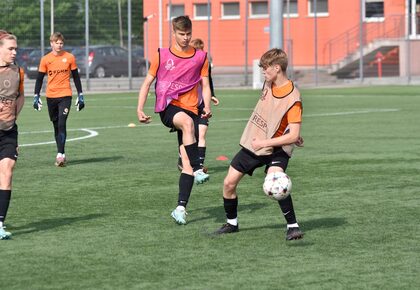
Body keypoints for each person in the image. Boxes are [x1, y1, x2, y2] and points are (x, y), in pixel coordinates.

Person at [214, 48, 304, 241]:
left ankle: (293, 226)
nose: (263, 71)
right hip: (255, 142)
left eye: (266, 68)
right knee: (229, 183)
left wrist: (269, 141)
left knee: (277, 182)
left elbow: (293, 134)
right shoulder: (268, 82)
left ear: (277, 68)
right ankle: (232, 224)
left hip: (276, 148)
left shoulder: (294, 99)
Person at [137, 16, 212, 225]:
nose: (186, 38)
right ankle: (199, 168)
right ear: (174, 33)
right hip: (169, 107)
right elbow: (146, 83)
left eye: (188, 34)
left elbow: (205, 85)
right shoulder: (161, 55)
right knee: (187, 124)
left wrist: (206, 105)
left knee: (185, 162)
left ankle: (180, 208)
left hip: (193, 109)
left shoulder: (201, 57)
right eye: (181, 34)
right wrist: (139, 108)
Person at [33, 32, 85, 167]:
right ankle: (61, 152)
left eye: (61, 43)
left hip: (65, 95)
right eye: (57, 43)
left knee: (62, 123)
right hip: (50, 97)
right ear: (51, 43)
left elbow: (76, 77)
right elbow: (39, 79)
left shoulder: (69, 57)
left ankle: (60, 155)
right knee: (56, 125)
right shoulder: (45, 59)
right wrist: (36, 96)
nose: (59, 45)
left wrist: (80, 94)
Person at [177, 38, 219, 172]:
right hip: (187, 105)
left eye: (202, 51)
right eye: (197, 51)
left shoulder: (204, 63)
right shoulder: (186, 65)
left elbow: (208, 82)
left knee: (201, 134)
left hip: (202, 106)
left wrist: (212, 95)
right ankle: (182, 158)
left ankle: (199, 166)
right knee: (190, 134)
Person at [0, 30, 25, 239]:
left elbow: (21, 96)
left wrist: (13, 115)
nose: (14, 52)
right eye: (10, 48)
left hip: (8, 130)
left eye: (15, 48)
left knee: (7, 170)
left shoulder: (18, 72)